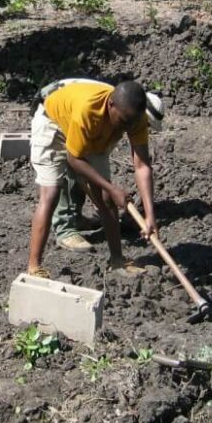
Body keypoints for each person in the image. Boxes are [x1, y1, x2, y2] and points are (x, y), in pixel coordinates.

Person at [27, 80, 157, 278]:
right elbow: (74, 159)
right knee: (51, 192)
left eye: (131, 123)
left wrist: (149, 215)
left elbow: (142, 165)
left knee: (106, 199)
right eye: (123, 122)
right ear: (110, 105)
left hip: (94, 134)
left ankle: (117, 261)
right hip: (54, 124)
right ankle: (34, 267)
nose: (127, 128)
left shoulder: (134, 117)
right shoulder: (88, 109)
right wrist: (112, 188)